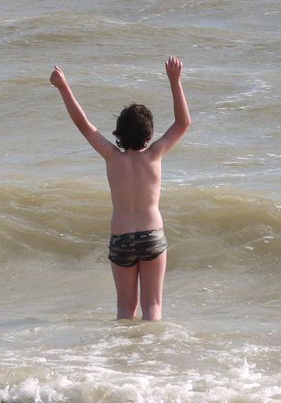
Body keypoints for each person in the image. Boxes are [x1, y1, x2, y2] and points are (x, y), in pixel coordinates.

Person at [49, 57, 190, 321]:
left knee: (125, 309)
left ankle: (122, 358)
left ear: (119, 135)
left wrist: (63, 87)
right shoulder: (155, 154)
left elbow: (83, 124)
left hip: (121, 239)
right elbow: (183, 123)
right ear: (149, 136)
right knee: (153, 308)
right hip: (151, 237)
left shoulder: (113, 157)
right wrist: (175, 81)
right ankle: (149, 357)